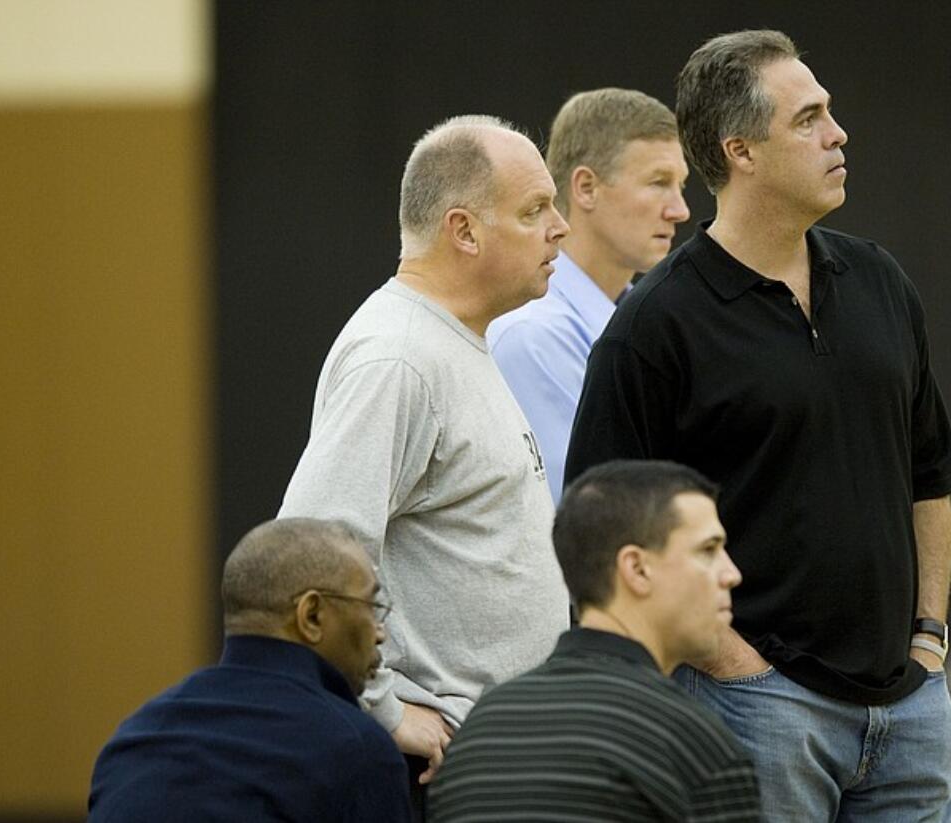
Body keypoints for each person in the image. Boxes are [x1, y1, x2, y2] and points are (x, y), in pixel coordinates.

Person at [564, 30, 951, 822]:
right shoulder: (655, 324)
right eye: (808, 118)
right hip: (757, 708)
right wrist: (733, 666)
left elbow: (930, 477)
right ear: (739, 150)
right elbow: (597, 532)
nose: (837, 133)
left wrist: (929, 640)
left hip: (911, 711)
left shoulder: (880, 279)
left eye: (830, 114)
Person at [278, 116, 572, 811]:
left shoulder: (456, 342)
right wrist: (382, 707)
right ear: (464, 230)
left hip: (497, 761)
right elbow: (307, 557)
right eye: (535, 210)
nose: (560, 227)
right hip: (444, 774)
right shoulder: (398, 359)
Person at [427, 460, 761, 822]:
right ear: (636, 568)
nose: (731, 574)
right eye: (708, 550)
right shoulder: (692, 744)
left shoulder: (480, 733)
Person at [88, 518, 410, 822]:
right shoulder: (356, 751)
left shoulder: (133, 740)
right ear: (311, 616)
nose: (380, 633)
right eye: (371, 607)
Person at [487, 89, 690, 502]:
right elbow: (591, 523)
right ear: (586, 187)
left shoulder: (645, 324)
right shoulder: (534, 337)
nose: (680, 210)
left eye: (681, 186)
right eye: (658, 183)